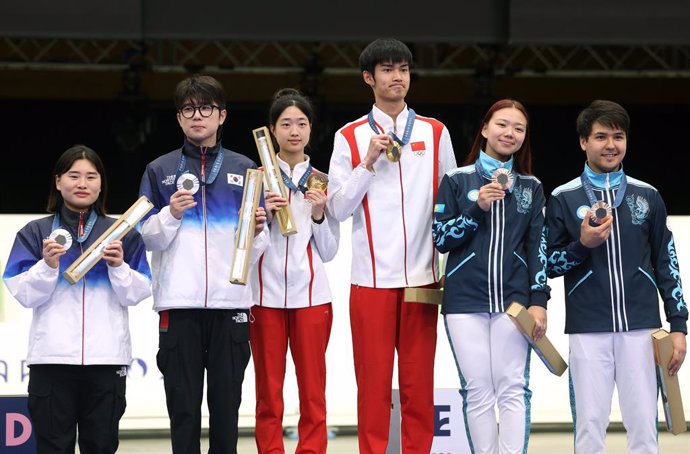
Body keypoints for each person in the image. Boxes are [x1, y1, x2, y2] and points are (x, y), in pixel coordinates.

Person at [326, 37, 457, 454]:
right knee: (373, 385)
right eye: (387, 69)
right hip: (371, 281)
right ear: (369, 78)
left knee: (419, 385)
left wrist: (448, 265)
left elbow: (451, 202)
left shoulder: (435, 132)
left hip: (423, 278)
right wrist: (367, 164)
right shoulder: (348, 137)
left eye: (402, 68)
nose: (397, 77)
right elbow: (338, 208)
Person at [545, 99, 688, 454]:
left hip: (641, 327)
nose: (610, 145)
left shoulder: (647, 195)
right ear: (583, 142)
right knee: (590, 424)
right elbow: (547, 265)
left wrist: (679, 325)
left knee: (642, 423)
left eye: (618, 136)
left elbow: (666, 263)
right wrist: (582, 244)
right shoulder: (563, 198)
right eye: (601, 136)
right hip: (587, 329)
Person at [137, 74, 268, 454]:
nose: (198, 116)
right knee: (183, 408)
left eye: (206, 108)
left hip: (232, 305)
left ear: (222, 115)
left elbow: (256, 249)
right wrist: (172, 214)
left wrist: (259, 232)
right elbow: (146, 237)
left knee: (227, 408)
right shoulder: (159, 170)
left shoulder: (247, 169)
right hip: (179, 306)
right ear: (179, 118)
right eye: (189, 109)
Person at [2, 145, 152, 454]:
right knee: (53, 446)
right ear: (58, 182)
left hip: (107, 361)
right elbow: (23, 294)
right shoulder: (35, 233)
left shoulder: (123, 233)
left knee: (102, 445)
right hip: (52, 361)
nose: (82, 184)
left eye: (91, 176)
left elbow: (137, 293)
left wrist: (118, 267)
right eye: (73, 176)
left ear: (101, 184)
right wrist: (48, 266)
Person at [432, 99, 549, 454]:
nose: (509, 133)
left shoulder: (531, 187)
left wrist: (539, 302)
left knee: (513, 386)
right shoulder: (456, 180)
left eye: (518, 128)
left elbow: (537, 249)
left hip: (514, 305)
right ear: (484, 129)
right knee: (478, 388)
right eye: (502, 125)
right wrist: (476, 207)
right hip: (464, 302)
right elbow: (441, 239)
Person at [250, 88, 340, 454]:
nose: (294, 131)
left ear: (310, 129)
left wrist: (319, 215)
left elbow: (330, 251)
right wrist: (263, 218)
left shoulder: (321, 179)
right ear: (272, 130)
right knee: (268, 391)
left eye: (301, 123)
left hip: (312, 298)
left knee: (313, 390)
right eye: (285, 123)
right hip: (263, 298)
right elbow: (242, 246)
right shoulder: (256, 178)